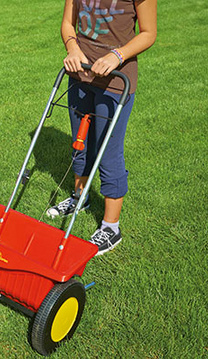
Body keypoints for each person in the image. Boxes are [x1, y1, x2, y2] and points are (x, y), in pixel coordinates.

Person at [47, 0, 157, 255]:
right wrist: (73, 48)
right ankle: (79, 198)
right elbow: (67, 23)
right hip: (80, 74)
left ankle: (111, 227)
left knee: (108, 152)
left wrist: (117, 55)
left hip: (116, 81)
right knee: (80, 144)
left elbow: (148, 33)